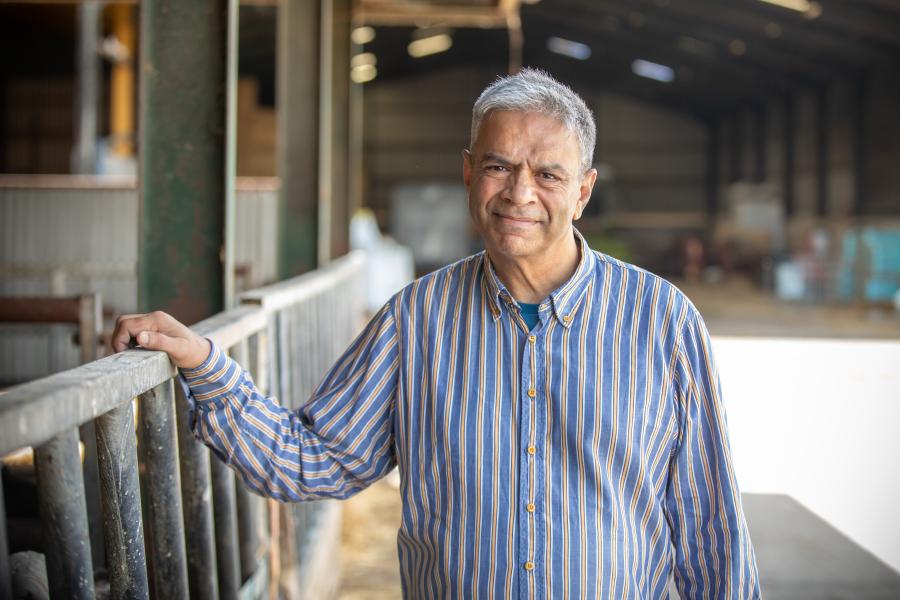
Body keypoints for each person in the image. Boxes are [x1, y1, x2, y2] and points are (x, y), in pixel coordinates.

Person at [112, 68, 760, 599]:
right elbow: (318, 460)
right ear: (468, 171)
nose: (520, 193)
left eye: (549, 175)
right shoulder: (416, 320)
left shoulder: (662, 321)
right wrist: (205, 364)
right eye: (499, 167)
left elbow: (709, 527)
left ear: (584, 190)